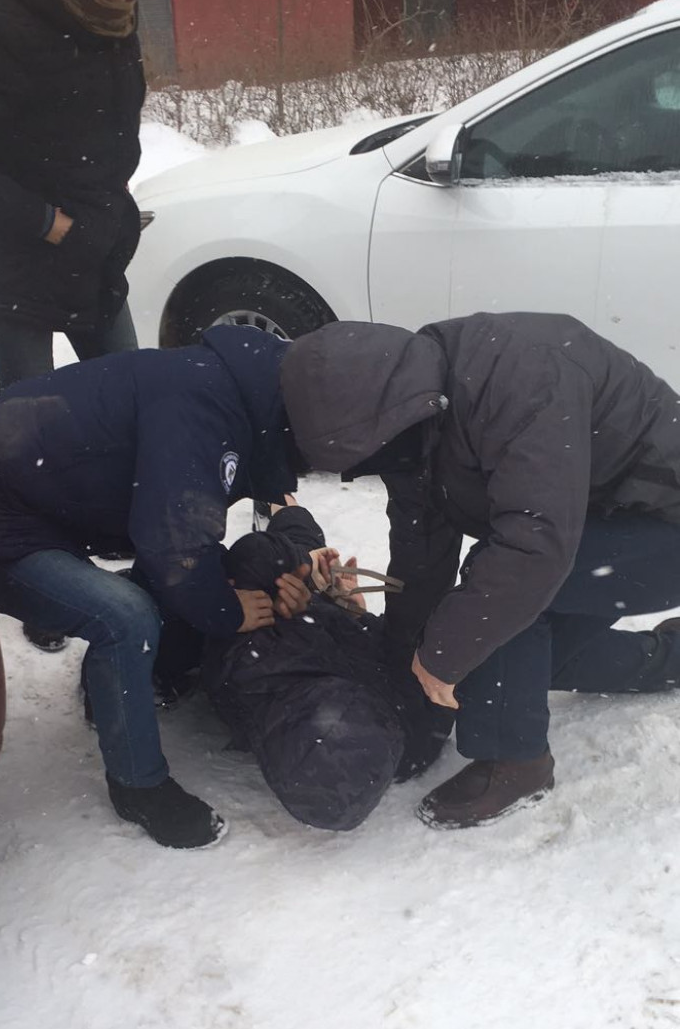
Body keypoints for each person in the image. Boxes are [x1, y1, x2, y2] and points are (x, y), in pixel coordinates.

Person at [280, 312, 680, 829]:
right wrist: (407, 664)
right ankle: (670, 658)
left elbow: (532, 552)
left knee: (502, 599)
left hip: (664, 523)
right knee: (517, 663)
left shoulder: (521, 383)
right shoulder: (417, 416)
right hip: (602, 520)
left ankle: (515, 763)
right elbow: (422, 552)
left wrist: (442, 657)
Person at [0, 326, 310, 849]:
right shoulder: (201, 410)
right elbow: (173, 545)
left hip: (38, 504)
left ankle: (104, 682)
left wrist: (291, 557)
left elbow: (179, 525)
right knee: (126, 617)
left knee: (174, 566)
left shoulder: (233, 388)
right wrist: (227, 611)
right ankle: (138, 786)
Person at [0, 0, 146, 390]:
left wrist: (114, 182)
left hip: (95, 255)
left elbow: (113, 114)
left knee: (133, 400)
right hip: (22, 268)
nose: (125, 0)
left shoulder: (113, 17)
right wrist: (46, 222)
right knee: (31, 421)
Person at [201, 504, 454, 831]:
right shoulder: (414, 737)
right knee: (300, 537)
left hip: (290, 604)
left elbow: (250, 557)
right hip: (330, 616)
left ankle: (277, 500)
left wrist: (297, 571)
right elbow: (414, 667)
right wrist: (355, 615)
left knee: (294, 526)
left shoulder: (248, 667)